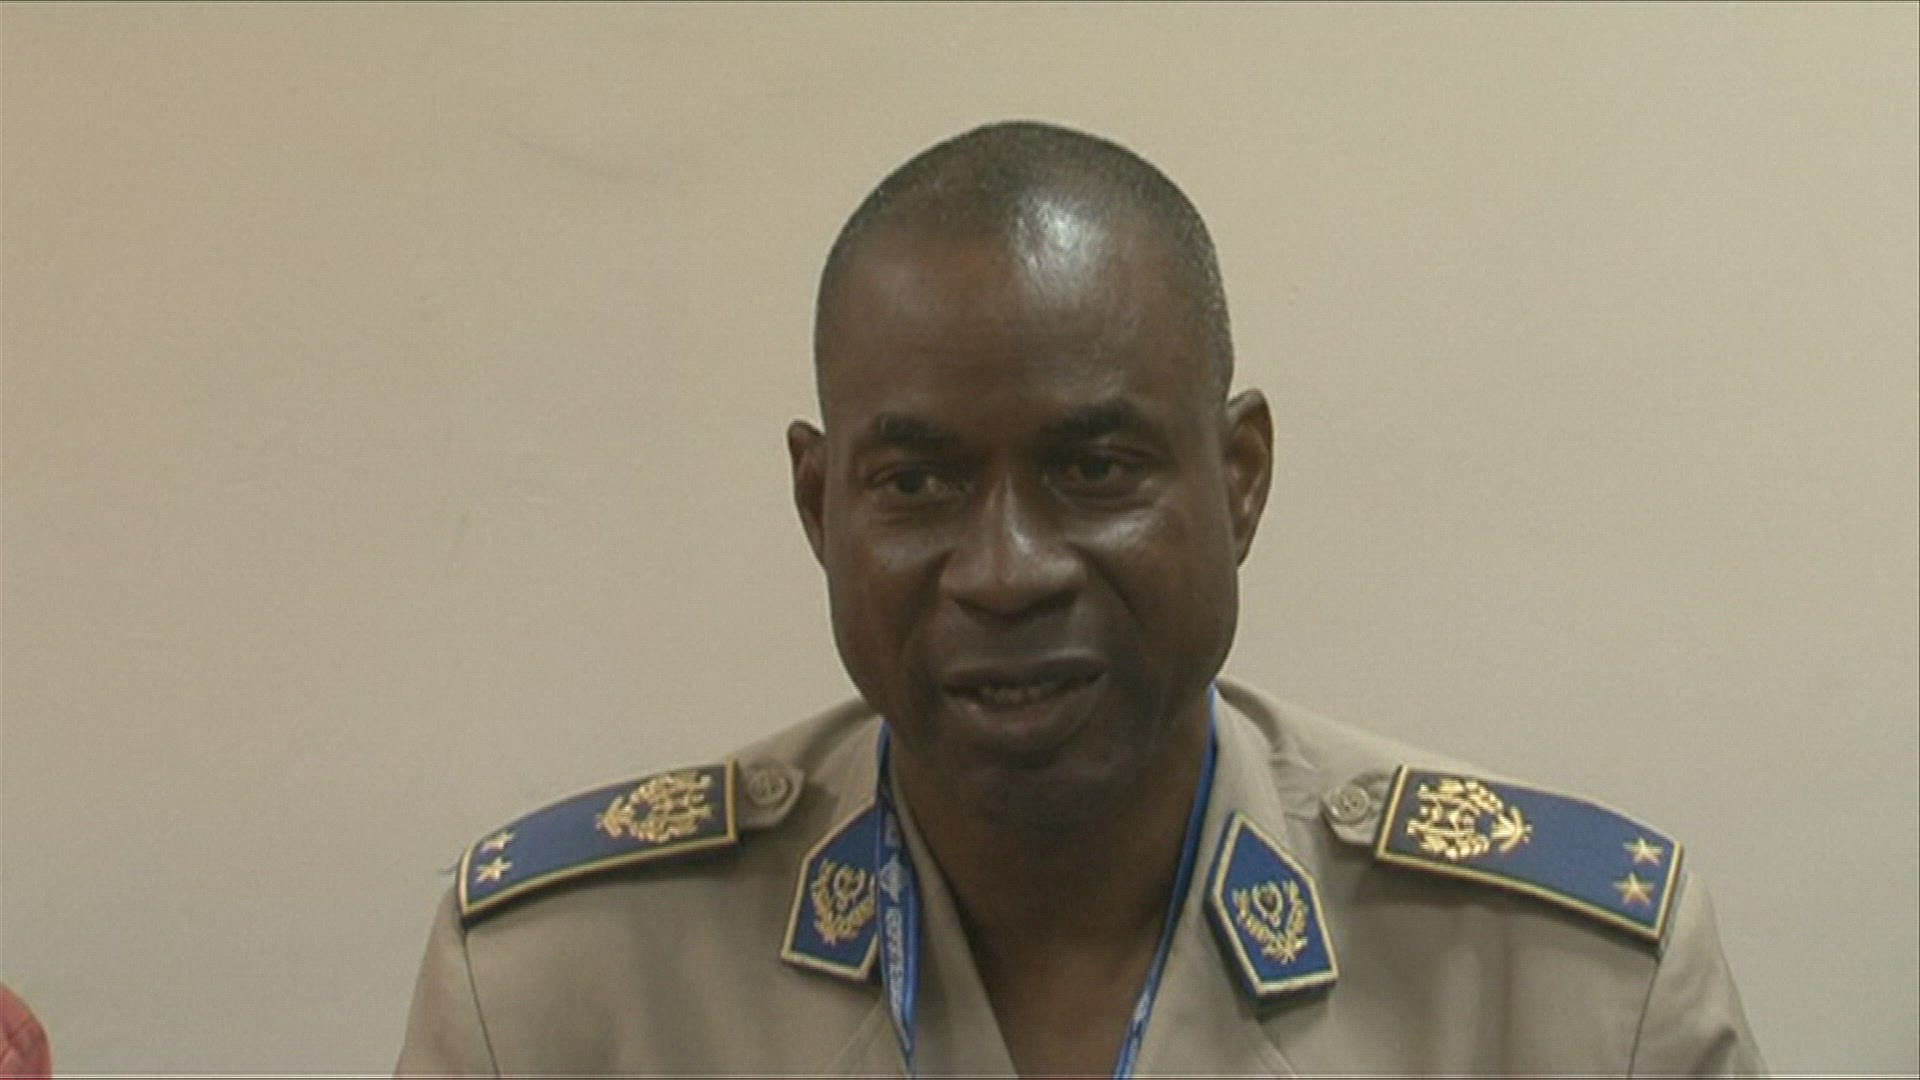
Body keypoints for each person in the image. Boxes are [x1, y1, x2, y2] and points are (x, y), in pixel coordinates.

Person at [396, 120, 1765, 1076]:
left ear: (1240, 479)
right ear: (820, 509)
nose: (1007, 571)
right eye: (917, 483)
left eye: (1096, 469)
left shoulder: (1568, 996)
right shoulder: (559, 994)